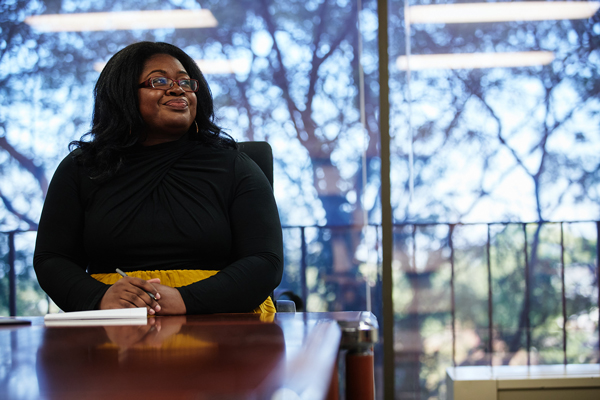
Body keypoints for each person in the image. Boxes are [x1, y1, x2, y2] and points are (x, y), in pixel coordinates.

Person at [33, 42, 283, 315]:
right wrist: (101, 297)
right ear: (123, 93)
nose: (178, 89)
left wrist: (185, 300)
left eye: (186, 82)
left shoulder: (235, 165)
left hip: (217, 316)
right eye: (159, 81)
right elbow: (52, 259)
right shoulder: (83, 167)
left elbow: (265, 261)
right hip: (115, 322)